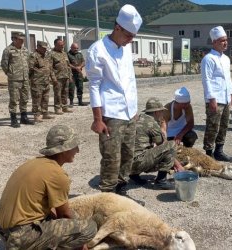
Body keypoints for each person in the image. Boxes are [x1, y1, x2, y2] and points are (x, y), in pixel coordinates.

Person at [0, 125, 97, 249]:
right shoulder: (57, 174)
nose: (77, 151)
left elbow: (52, 208)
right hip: (21, 237)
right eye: (74, 146)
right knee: (89, 228)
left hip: (5, 232)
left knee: (71, 219)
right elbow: (64, 214)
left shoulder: (34, 163)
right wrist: (82, 244)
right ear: (64, 149)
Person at [86, 4, 142, 195]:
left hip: (129, 113)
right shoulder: (98, 50)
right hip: (111, 113)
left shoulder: (126, 49)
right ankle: (107, 195)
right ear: (117, 27)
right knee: (111, 158)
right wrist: (97, 119)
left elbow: (130, 81)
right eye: (128, 35)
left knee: (128, 155)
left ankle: (121, 188)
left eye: (133, 36)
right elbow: (94, 86)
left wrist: (134, 110)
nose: (130, 40)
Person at [130, 97, 184, 190]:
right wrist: (178, 165)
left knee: (143, 148)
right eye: (161, 111)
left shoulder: (137, 118)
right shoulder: (151, 122)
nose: (162, 114)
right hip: (137, 163)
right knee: (171, 145)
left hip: (125, 164)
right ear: (156, 112)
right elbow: (163, 145)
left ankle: (134, 175)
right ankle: (161, 181)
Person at [201, 26, 232, 162]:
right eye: (222, 40)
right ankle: (208, 154)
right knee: (212, 126)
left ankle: (219, 151)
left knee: (224, 126)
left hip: (226, 98)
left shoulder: (226, 59)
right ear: (214, 42)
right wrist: (211, 99)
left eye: (226, 40)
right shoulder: (208, 59)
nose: (225, 43)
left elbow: (228, 78)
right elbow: (206, 80)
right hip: (215, 99)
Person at [1, 31, 34, 127]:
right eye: (20, 40)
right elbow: (4, 64)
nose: (22, 41)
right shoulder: (8, 50)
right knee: (14, 99)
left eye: (23, 40)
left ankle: (24, 117)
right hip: (14, 79)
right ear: (13, 39)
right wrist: (10, 73)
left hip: (25, 78)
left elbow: (28, 62)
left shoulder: (25, 50)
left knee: (24, 98)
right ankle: (13, 119)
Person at [29, 41, 56, 123]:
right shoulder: (33, 56)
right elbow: (30, 68)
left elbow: (50, 68)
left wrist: (53, 78)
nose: (45, 50)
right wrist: (32, 79)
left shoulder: (46, 56)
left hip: (46, 81)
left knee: (45, 98)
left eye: (45, 48)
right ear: (38, 47)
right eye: (43, 48)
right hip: (37, 82)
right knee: (37, 99)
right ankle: (36, 115)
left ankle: (45, 113)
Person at [51, 38, 73, 114]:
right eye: (60, 45)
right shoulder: (51, 54)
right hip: (58, 77)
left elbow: (68, 65)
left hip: (65, 76)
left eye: (63, 45)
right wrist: (53, 78)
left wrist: (70, 76)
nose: (62, 46)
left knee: (65, 93)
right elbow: (50, 67)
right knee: (57, 93)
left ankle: (64, 107)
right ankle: (57, 108)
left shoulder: (64, 53)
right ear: (55, 45)